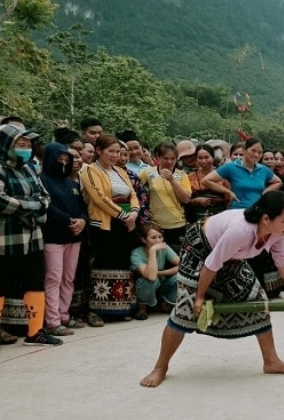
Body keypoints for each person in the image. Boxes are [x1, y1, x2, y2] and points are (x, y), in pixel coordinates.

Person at [139, 191, 284, 388]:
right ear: (266, 219)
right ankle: (160, 367)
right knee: (186, 309)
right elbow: (211, 264)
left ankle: (271, 361)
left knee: (258, 300)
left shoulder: (278, 232)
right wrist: (199, 297)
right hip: (199, 249)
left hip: (230, 254)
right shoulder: (241, 231)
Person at [0, 124, 63, 346]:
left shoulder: (29, 168)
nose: (26, 149)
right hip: (7, 238)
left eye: (28, 145)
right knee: (2, 283)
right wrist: (32, 206)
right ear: (7, 146)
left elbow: (45, 198)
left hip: (33, 237)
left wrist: (34, 206)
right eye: (20, 144)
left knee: (35, 282)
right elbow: (1, 200)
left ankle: (35, 332)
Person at [80, 134, 140, 321]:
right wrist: (123, 216)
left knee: (122, 263)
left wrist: (134, 213)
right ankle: (97, 310)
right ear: (98, 151)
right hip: (105, 224)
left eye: (118, 152)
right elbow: (99, 198)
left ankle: (120, 307)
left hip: (126, 223)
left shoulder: (121, 171)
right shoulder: (90, 171)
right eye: (110, 151)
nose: (115, 155)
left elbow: (133, 195)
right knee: (104, 261)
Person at [40, 142, 88, 336]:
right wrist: (68, 220)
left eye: (66, 159)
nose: (63, 162)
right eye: (59, 159)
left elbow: (83, 206)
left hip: (74, 236)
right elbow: (47, 207)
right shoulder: (42, 180)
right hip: (53, 236)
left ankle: (64, 315)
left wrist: (83, 221)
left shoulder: (72, 183)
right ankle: (52, 321)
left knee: (68, 278)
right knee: (54, 278)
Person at [139, 142, 191, 251]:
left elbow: (186, 199)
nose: (169, 162)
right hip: (156, 224)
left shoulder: (181, 175)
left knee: (177, 256)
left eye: (173, 158)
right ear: (158, 157)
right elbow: (135, 187)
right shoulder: (148, 172)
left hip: (176, 223)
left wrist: (172, 180)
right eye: (165, 158)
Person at [131, 224, 179, 320]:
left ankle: (164, 304)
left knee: (181, 277)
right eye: (153, 238)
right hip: (144, 287)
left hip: (160, 283)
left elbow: (183, 266)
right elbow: (151, 276)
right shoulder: (136, 253)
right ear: (144, 240)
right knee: (150, 281)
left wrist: (161, 273)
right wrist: (152, 251)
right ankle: (142, 307)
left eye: (160, 237)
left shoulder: (164, 248)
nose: (158, 241)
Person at [186, 144, 230, 223]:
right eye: (200, 158)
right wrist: (196, 201)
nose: (203, 161)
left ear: (213, 158)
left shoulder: (222, 175)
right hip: (197, 219)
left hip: (219, 218)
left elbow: (228, 199)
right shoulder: (190, 177)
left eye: (207, 157)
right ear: (196, 159)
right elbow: (185, 200)